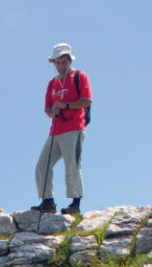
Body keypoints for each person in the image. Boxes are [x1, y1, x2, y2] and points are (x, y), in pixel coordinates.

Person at [32, 43, 92, 216]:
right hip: (55, 130)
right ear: (54, 63)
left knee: (71, 165)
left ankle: (75, 204)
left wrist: (65, 105)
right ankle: (47, 201)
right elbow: (47, 109)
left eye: (64, 62)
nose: (61, 66)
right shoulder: (52, 84)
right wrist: (53, 112)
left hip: (74, 128)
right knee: (42, 165)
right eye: (58, 63)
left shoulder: (79, 76)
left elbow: (86, 100)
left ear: (69, 60)